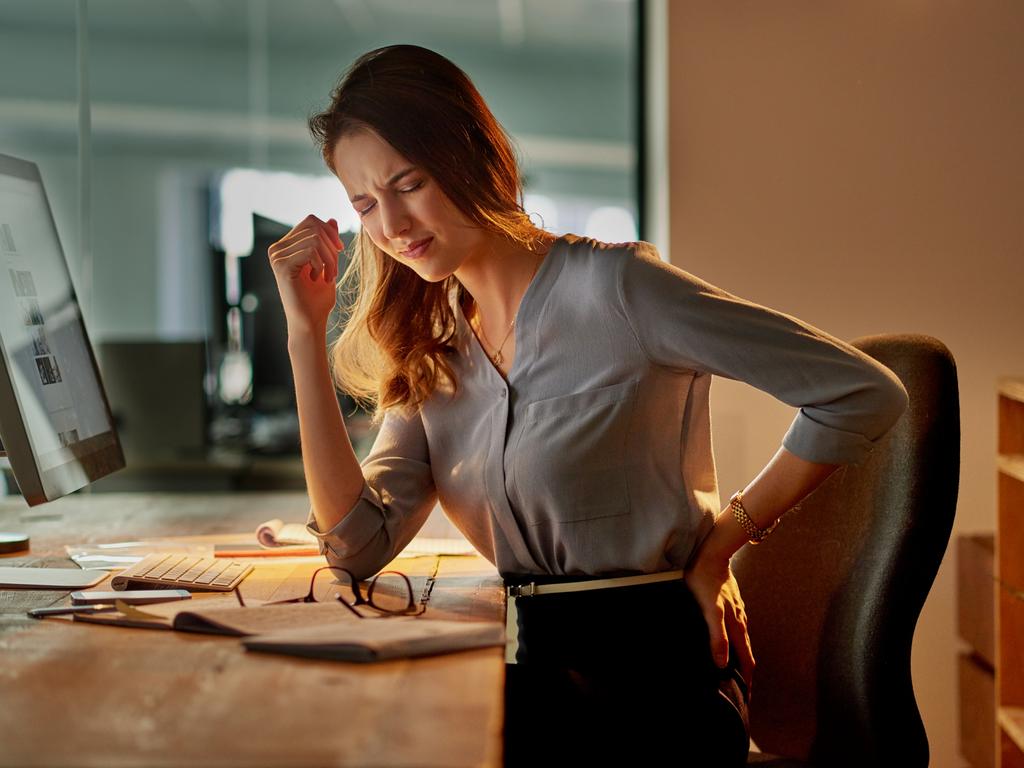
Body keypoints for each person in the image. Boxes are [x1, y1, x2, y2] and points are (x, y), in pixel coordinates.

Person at [268, 44, 909, 767]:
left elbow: (861, 392)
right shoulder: (434, 344)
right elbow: (356, 546)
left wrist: (723, 542)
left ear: (471, 158)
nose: (390, 224)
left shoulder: (620, 289)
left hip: (658, 682)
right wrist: (303, 332)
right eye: (364, 204)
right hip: (533, 662)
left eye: (408, 183)